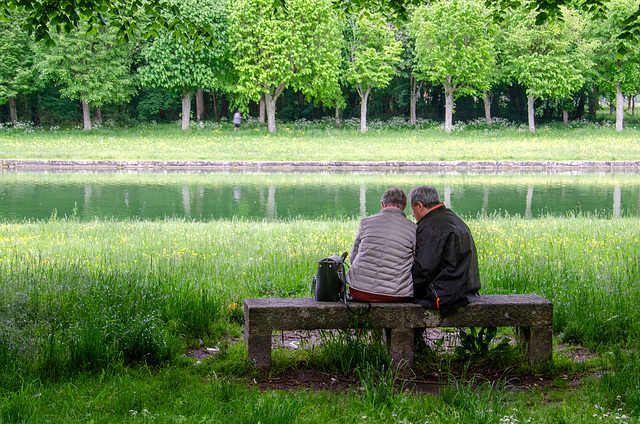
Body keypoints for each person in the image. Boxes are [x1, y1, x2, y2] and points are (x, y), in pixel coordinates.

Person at [409, 185, 481, 310]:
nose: (413, 215)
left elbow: (424, 269)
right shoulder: (452, 218)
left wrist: (406, 284)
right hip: (467, 291)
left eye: (413, 209)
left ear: (420, 206)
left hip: (444, 295)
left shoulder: (430, 226)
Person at [345, 187, 416, 302]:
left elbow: (353, 257)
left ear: (382, 204)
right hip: (396, 294)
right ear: (405, 206)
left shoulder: (365, 223)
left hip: (359, 291)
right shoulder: (413, 229)